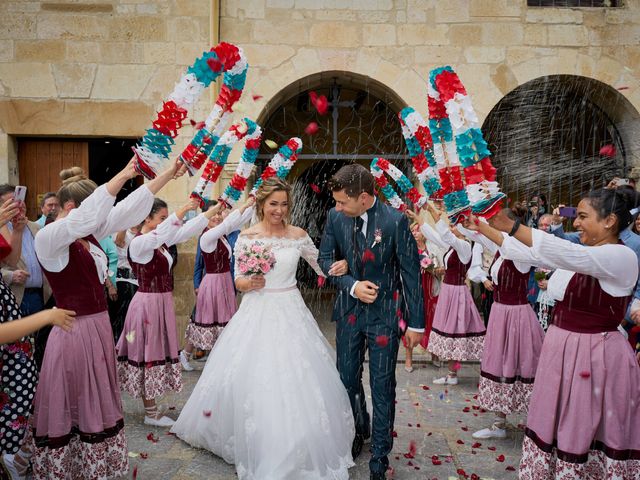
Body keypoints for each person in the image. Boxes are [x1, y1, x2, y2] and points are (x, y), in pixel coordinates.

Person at [171, 177, 355, 479]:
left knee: (298, 376)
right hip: (257, 310)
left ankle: (297, 438)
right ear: (261, 205)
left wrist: (343, 266)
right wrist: (249, 282)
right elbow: (238, 280)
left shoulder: (298, 235)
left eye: (284, 204)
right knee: (258, 375)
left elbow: (322, 267)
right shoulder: (247, 236)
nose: (279, 210)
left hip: (292, 308)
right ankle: (259, 437)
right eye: (273, 204)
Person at [29, 160, 180, 479]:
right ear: (70, 208)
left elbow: (125, 209)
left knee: (94, 398)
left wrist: (166, 175)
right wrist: (124, 174)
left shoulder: (89, 232)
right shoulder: (50, 239)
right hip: (75, 331)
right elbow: (93, 214)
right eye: (92, 212)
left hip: (97, 329)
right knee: (76, 399)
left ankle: (91, 464)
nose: (99, 219)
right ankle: (69, 466)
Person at [473, 189, 640, 478]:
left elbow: (563, 251)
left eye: (583, 216)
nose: (576, 222)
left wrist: (512, 225)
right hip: (565, 352)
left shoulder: (621, 256)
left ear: (610, 221)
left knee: (582, 426)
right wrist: (484, 227)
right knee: (561, 424)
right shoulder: (589, 253)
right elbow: (527, 252)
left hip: (593, 357)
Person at [318, 163, 424, 480]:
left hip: (385, 318)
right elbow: (324, 260)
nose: (337, 207)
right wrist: (350, 283)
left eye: (342, 201)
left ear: (363, 197)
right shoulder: (335, 218)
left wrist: (416, 324)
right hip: (349, 314)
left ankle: (379, 457)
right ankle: (358, 428)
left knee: (382, 387)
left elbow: (411, 275)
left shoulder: (395, 221)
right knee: (347, 380)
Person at [115, 197, 218, 427]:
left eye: (165, 218)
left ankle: (151, 407)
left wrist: (214, 211)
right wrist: (182, 209)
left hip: (160, 303)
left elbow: (187, 230)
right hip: (147, 305)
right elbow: (167, 231)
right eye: (161, 218)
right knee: (147, 353)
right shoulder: (139, 243)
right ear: (147, 218)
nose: (165, 223)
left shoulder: (159, 241)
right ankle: (150, 413)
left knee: (152, 352)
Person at [461, 213, 544, 441]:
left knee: (521, 364)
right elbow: (480, 237)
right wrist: (465, 221)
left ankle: (536, 422)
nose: (493, 226)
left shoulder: (519, 251)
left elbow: (495, 240)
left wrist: (479, 226)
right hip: (500, 312)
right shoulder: (503, 248)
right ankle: (500, 421)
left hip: (516, 315)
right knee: (500, 364)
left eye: (497, 221)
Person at [408, 203, 485, 386]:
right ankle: (451, 374)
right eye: (451, 225)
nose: (451, 228)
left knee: (455, 332)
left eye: (454, 225)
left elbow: (445, 235)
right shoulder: (454, 246)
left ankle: (464, 372)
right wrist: (419, 217)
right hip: (449, 291)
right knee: (450, 333)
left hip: (457, 293)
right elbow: (434, 236)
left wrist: (433, 211)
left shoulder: (465, 247)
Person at [180, 198, 254, 371]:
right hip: (213, 282)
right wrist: (244, 205)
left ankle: (220, 360)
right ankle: (208, 360)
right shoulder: (207, 235)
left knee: (223, 321)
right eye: (214, 213)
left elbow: (237, 221)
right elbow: (229, 223)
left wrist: (254, 202)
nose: (218, 217)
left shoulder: (223, 235)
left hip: (226, 281)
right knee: (210, 321)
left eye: (220, 213)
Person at [0, 185, 52, 321]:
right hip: (15, 294)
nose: (19, 204)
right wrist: (10, 275)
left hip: (41, 294)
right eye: (13, 202)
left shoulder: (37, 228)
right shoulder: (2, 229)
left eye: (21, 200)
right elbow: (9, 263)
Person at [402, 221, 444, 372]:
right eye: (412, 231)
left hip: (430, 290)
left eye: (417, 231)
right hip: (414, 292)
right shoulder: (407, 249)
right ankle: (408, 357)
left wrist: (437, 270)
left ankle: (435, 354)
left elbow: (441, 268)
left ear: (424, 234)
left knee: (433, 322)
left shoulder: (432, 249)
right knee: (411, 322)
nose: (414, 233)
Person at [111, 225, 140, 342]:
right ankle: (122, 347)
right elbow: (119, 242)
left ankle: (133, 347)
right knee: (124, 316)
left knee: (137, 318)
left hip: (140, 281)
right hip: (124, 280)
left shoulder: (144, 233)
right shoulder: (122, 231)